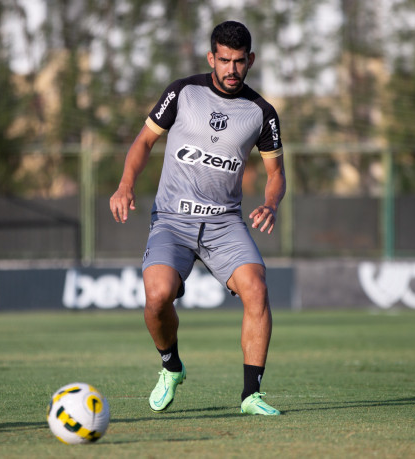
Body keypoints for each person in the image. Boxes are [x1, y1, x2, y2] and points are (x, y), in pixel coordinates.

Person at [109, 21, 285, 415]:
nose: (231, 70)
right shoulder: (182, 92)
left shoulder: (261, 113)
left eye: (240, 62)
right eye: (224, 60)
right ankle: (171, 367)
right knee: (157, 296)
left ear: (250, 60)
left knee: (256, 289)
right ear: (211, 58)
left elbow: (276, 173)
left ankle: (251, 395)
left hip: (225, 224)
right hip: (172, 220)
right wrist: (125, 184)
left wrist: (271, 204)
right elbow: (144, 141)